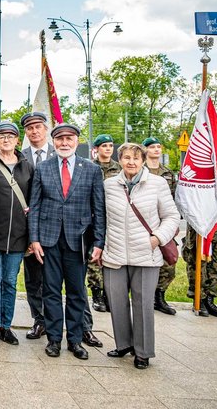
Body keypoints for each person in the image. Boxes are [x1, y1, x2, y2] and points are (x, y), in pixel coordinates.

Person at [28, 123, 105, 360]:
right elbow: (35, 206)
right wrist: (34, 239)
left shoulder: (91, 169)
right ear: (54, 142)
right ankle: (54, 340)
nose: (64, 143)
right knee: (50, 291)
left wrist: (99, 242)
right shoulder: (43, 168)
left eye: (69, 139)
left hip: (78, 240)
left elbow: (99, 209)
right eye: (60, 139)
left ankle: (75, 340)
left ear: (76, 141)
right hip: (49, 240)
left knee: (76, 293)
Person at [102, 143, 180, 369]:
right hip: (115, 253)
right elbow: (101, 216)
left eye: (136, 158)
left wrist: (157, 238)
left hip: (146, 254)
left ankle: (143, 351)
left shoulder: (157, 183)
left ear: (143, 161)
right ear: (120, 160)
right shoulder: (109, 185)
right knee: (116, 302)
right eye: (126, 157)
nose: (131, 162)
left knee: (143, 304)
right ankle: (124, 344)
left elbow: (172, 216)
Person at [0, 122, 32, 347]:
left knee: (10, 282)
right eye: (1, 136)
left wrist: (32, 236)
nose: (6, 139)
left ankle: (6, 326)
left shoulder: (27, 167)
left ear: (17, 140)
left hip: (19, 236)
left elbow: (33, 201)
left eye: (10, 136)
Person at [19, 111, 54, 340]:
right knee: (34, 279)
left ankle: (82, 325)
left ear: (46, 129)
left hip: (55, 228)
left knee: (65, 279)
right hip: (27, 229)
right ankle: (39, 320)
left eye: (38, 127)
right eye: (30, 128)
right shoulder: (19, 157)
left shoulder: (59, 153)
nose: (34, 131)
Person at [142, 137, 178, 315]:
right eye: (152, 147)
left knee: (168, 264)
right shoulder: (140, 171)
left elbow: (174, 199)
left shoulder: (168, 173)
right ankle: (145, 298)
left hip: (163, 223)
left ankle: (159, 297)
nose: (156, 150)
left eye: (158, 147)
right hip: (144, 223)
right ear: (145, 150)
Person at [90, 134, 120, 313]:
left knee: (112, 255)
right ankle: (96, 293)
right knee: (94, 256)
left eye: (110, 146)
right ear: (96, 149)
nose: (108, 149)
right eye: (104, 146)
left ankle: (110, 294)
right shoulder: (90, 167)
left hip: (114, 216)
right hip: (94, 216)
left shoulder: (119, 168)